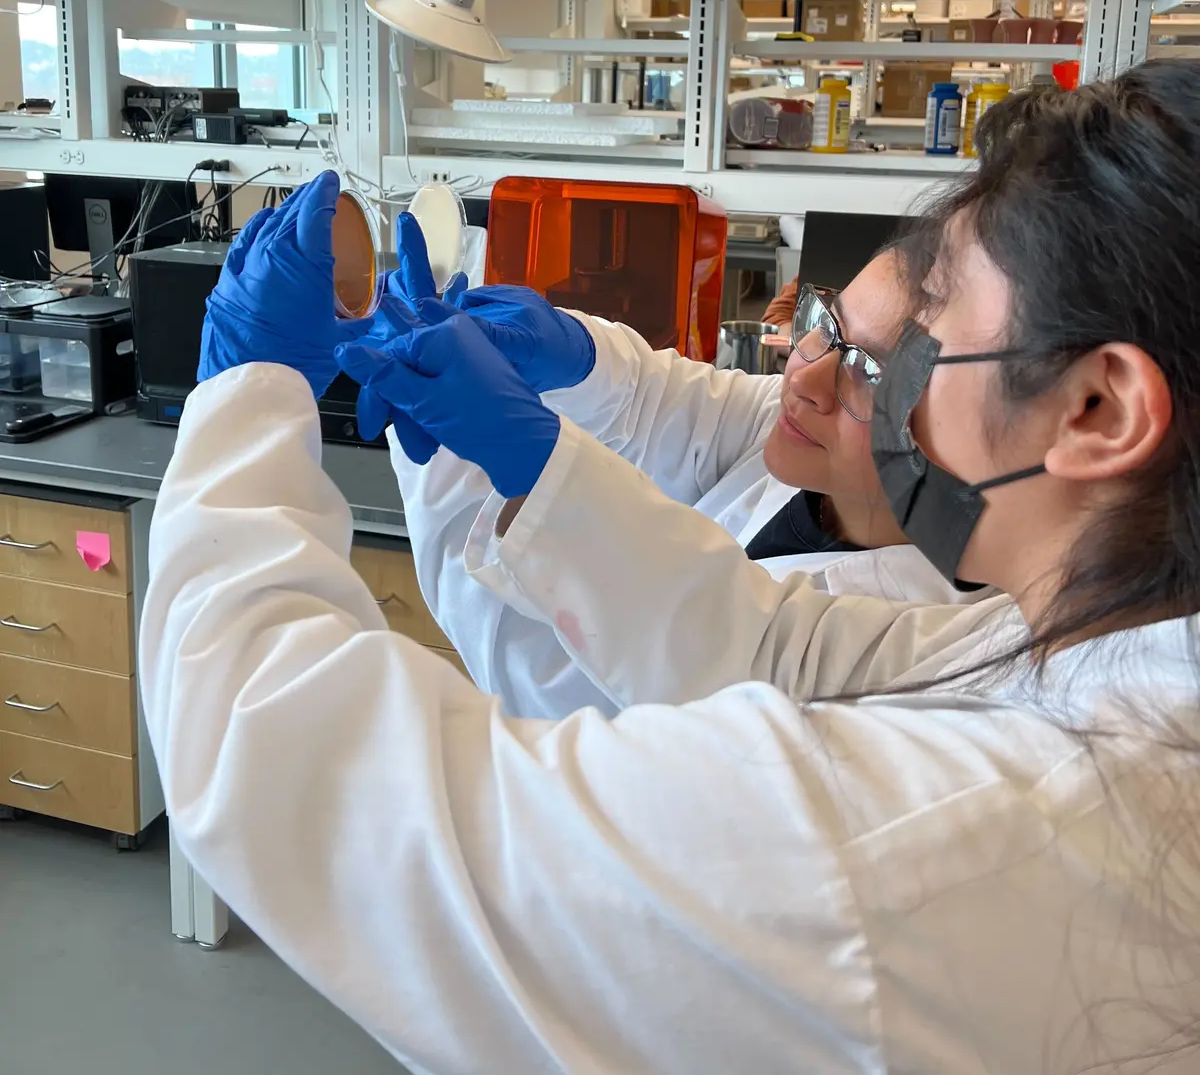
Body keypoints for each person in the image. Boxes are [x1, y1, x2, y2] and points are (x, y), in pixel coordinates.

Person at [140, 60, 1200, 1074]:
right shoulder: (1083, 642)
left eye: (917, 344)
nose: (829, 384)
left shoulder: (904, 843)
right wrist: (534, 429)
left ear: (1097, 410)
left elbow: (309, 785)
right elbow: (779, 649)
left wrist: (245, 393)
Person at [377, 230, 991, 719]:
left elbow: (550, 683)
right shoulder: (811, 450)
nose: (803, 378)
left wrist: (452, 448)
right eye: (827, 326)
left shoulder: (916, 644)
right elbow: (661, 402)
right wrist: (576, 353)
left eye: (870, 374)